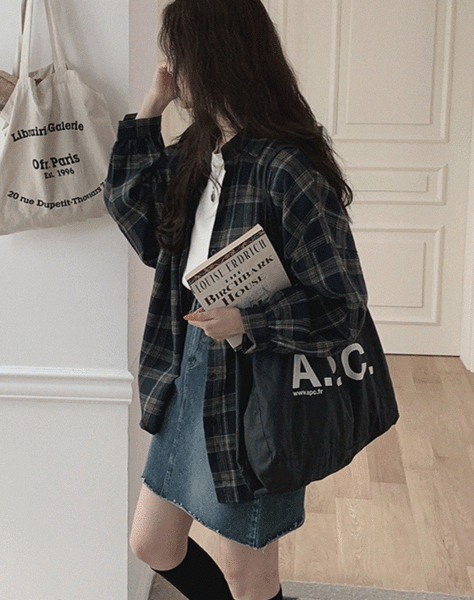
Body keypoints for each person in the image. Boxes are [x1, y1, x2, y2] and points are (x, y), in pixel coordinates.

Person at [104, 1, 368, 599]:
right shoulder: (201, 150)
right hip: (188, 369)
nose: (170, 66)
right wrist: (150, 108)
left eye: (177, 53)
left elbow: (342, 305)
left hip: (256, 387)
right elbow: (139, 220)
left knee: (247, 575)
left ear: (213, 58)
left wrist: (249, 321)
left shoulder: (287, 170)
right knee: (153, 544)